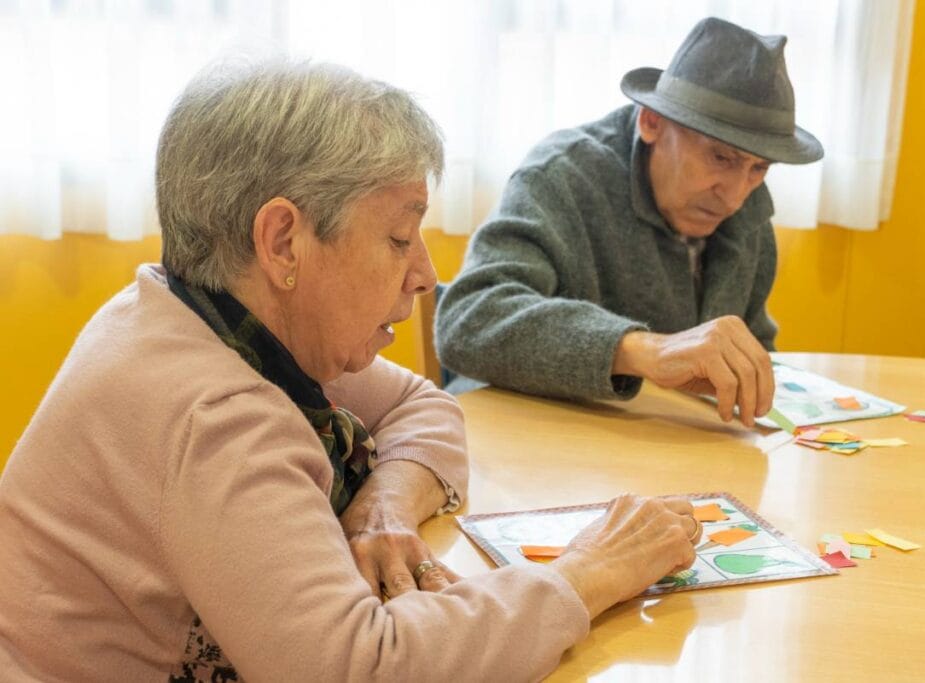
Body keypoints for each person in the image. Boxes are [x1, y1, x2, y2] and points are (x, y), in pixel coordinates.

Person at [0, 60, 704, 681]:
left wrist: (384, 504)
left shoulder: (206, 315)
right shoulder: (216, 414)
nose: (426, 274)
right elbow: (360, 665)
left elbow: (424, 407)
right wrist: (587, 574)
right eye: (399, 236)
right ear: (282, 242)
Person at [436, 17, 824, 428]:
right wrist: (644, 351)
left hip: (667, 455)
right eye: (720, 157)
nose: (734, 196)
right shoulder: (561, 176)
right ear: (652, 122)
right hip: (527, 447)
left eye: (759, 167)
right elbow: (467, 320)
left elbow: (752, 346)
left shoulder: (748, 207)